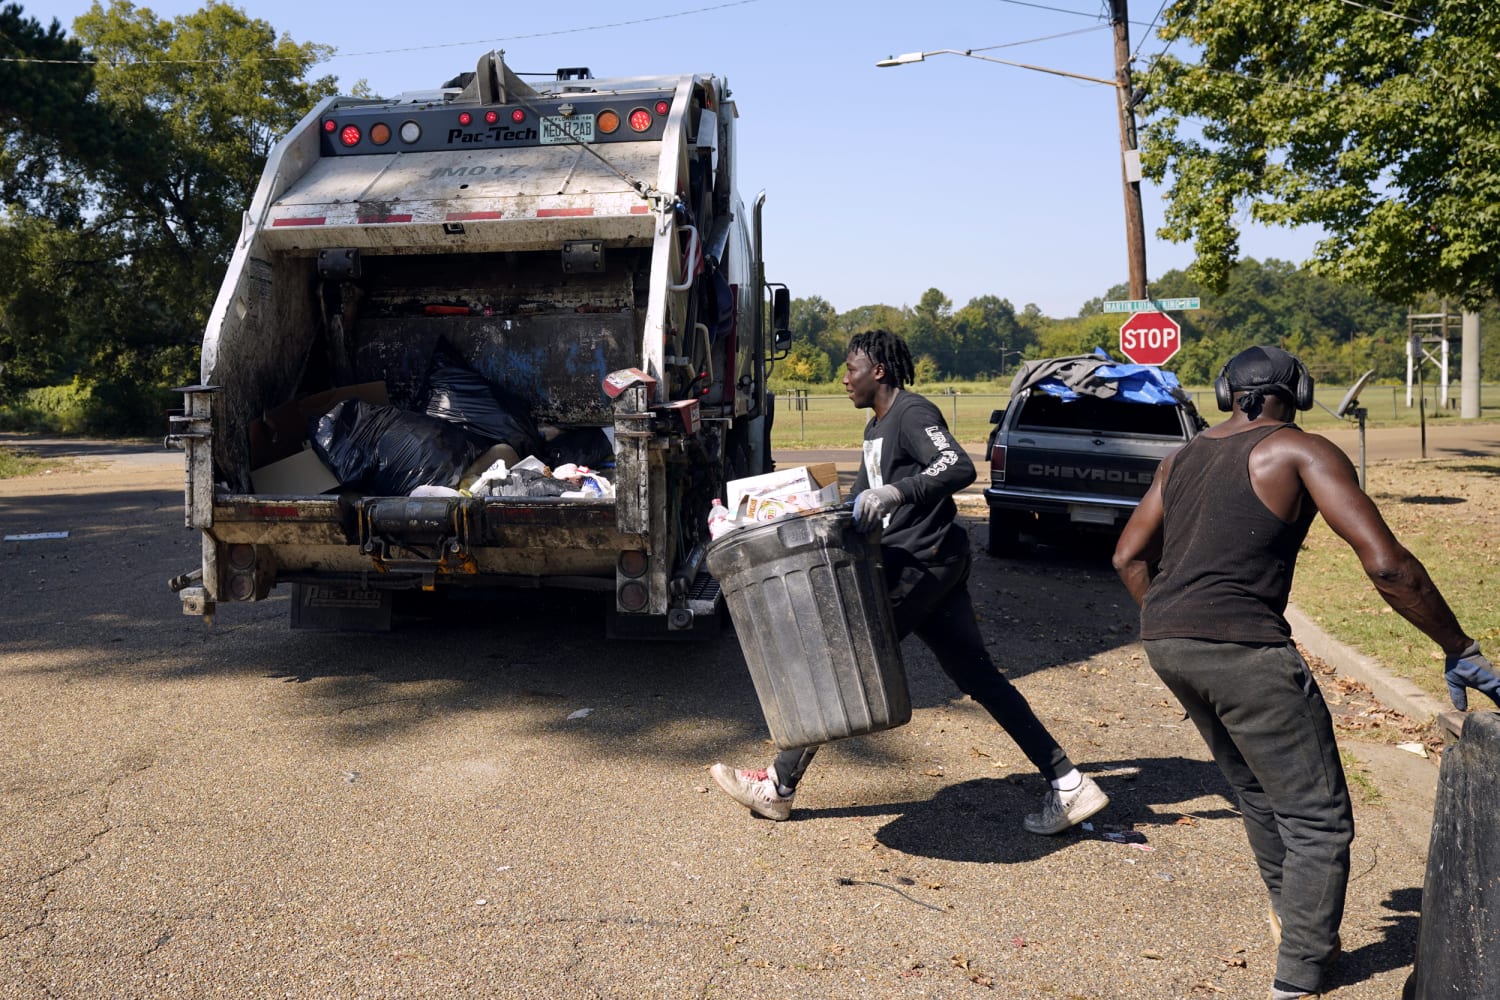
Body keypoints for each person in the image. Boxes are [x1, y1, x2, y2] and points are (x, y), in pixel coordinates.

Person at [1112, 345, 1500, 1000]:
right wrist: (1458, 645)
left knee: (1262, 797)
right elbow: (1387, 566)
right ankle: (1296, 979)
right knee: (1319, 819)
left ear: (1227, 391)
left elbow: (1127, 555)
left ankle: (1294, 923)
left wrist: (1182, 634)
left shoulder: (1182, 458)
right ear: (1299, 390)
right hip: (1246, 652)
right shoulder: (1302, 451)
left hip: (1167, 642)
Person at [710, 329, 1108, 835]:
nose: (844, 378)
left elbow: (956, 465)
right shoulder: (876, 427)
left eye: (851, 369)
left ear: (878, 370)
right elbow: (858, 499)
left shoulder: (912, 414)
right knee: (979, 677)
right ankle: (1070, 784)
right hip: (929, 566)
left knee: (843, 659)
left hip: (924, 564)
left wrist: (897, 493)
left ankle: (777, 785)